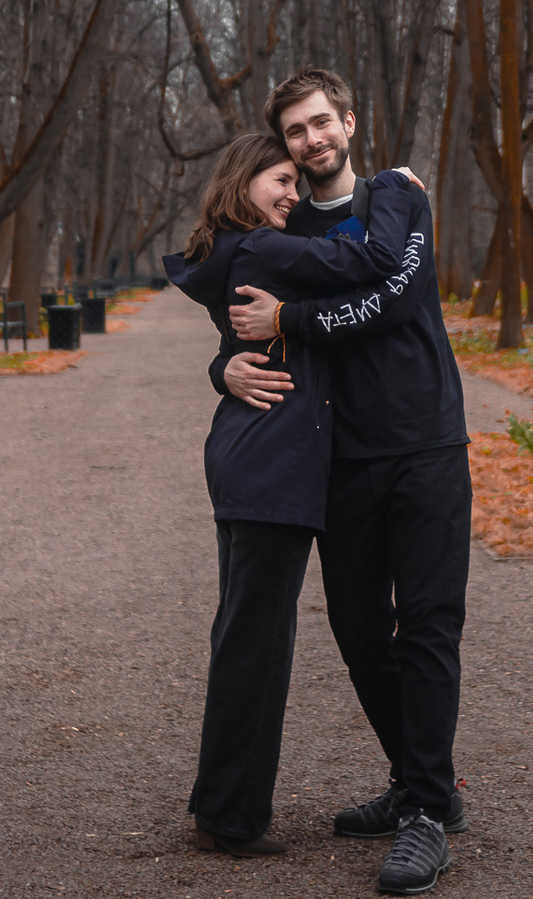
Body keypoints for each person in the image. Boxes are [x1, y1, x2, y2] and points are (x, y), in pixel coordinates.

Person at [221, 66, 468, 898]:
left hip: (427, 444)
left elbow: (394, 298)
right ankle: (418, 776)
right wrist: (226, 367)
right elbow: (234, 317)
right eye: (296, 132)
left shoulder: (398, 197)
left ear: (351, 123)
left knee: (429, 626)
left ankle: (428, 812)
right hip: (340, 459)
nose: (312, 140)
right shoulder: (279, 227)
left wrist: (291, 316)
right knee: (362, 633)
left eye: (322, 123)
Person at [163, 133, 432, 861]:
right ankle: (229, 815)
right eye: (278, 179)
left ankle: (228, 806)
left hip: (266, 460)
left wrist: (223, 367)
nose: (289, 193)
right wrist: (402, 190)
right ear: (242, 181)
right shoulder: (257, 249)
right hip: (269, 464)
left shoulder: (246, 248)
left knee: (249, 636)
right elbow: (367, 259)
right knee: (255, 642)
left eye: (292, 181)